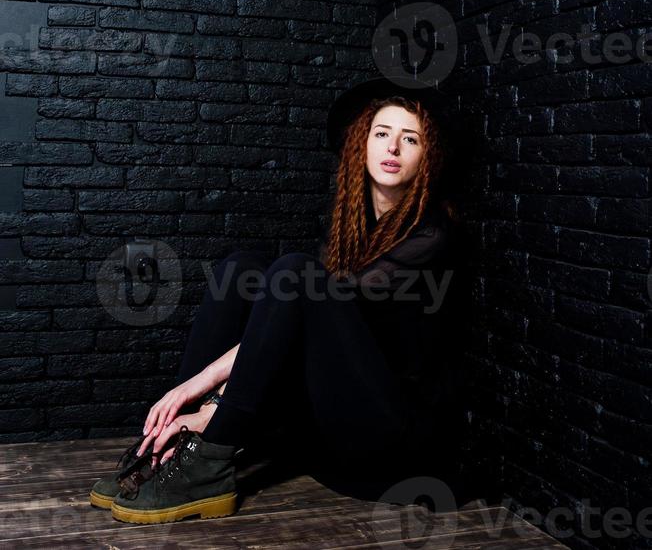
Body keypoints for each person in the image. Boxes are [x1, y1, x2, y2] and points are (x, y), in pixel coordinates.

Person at [91, 75, 469, 525]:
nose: (392, 149)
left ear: (428, 157)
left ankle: (209, 451)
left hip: (384, 426)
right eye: (381, 134)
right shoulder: (352, 231)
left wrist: (199, 386)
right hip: (328, 408)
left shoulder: (431, 236)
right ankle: (174, 441)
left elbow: (307, 300)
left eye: (410, 139)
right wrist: (202, 398)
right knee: (242, 269)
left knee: (293, 271)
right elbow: (296, 328)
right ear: (361, 145)